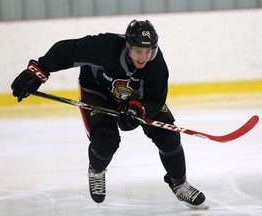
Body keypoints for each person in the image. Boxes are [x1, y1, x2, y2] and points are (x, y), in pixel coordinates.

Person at [11, 19, 208, 209]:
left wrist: (136, 109)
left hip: (136, 98)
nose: (143, 57)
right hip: (97, 92)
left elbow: (156, 99)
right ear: (127, 45)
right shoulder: (104, 46)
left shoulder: (156, 63)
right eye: (138, 50)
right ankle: (96, 171)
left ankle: (179, 184)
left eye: (148, 51)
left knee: (168, 135)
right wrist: (39, 69)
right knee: (106, 141)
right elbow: (67, 50)